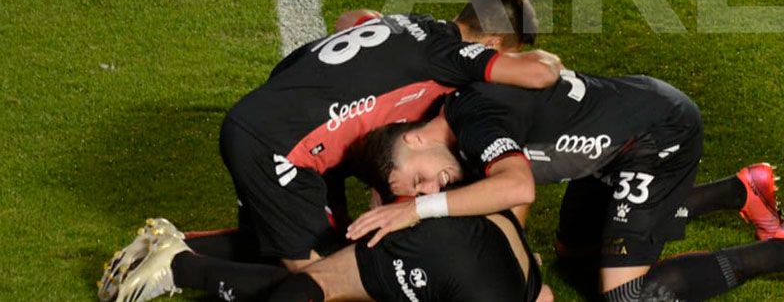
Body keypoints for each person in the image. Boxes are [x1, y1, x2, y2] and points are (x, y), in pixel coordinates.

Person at [100, 0, 561, 302]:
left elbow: (350, 20)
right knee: (320, 280)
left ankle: (169, 244)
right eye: (507, 55)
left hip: (268, 124)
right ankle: (175, 268)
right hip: (282, 148)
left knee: (330, 243)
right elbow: (539, 73)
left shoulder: (409, 24)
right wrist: (548, 61)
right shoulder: (451, 53)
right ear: (496, 43)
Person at [346, 73, 784, 300]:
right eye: (415, 191)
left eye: (418, 178)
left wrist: (419, 211)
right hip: (614, 142)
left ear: (414, 138)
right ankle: (741, 191)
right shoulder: (451, 138)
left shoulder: (475, 121)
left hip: (655, 137)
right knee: (575, 256)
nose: (428, 187)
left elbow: (517, 189)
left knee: (628, 298)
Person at [111, 211, 552, 302]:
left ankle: (181, 258)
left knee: (320, 277)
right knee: (322, 282)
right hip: (445, 254)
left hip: (454, 223)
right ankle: (180, 264)